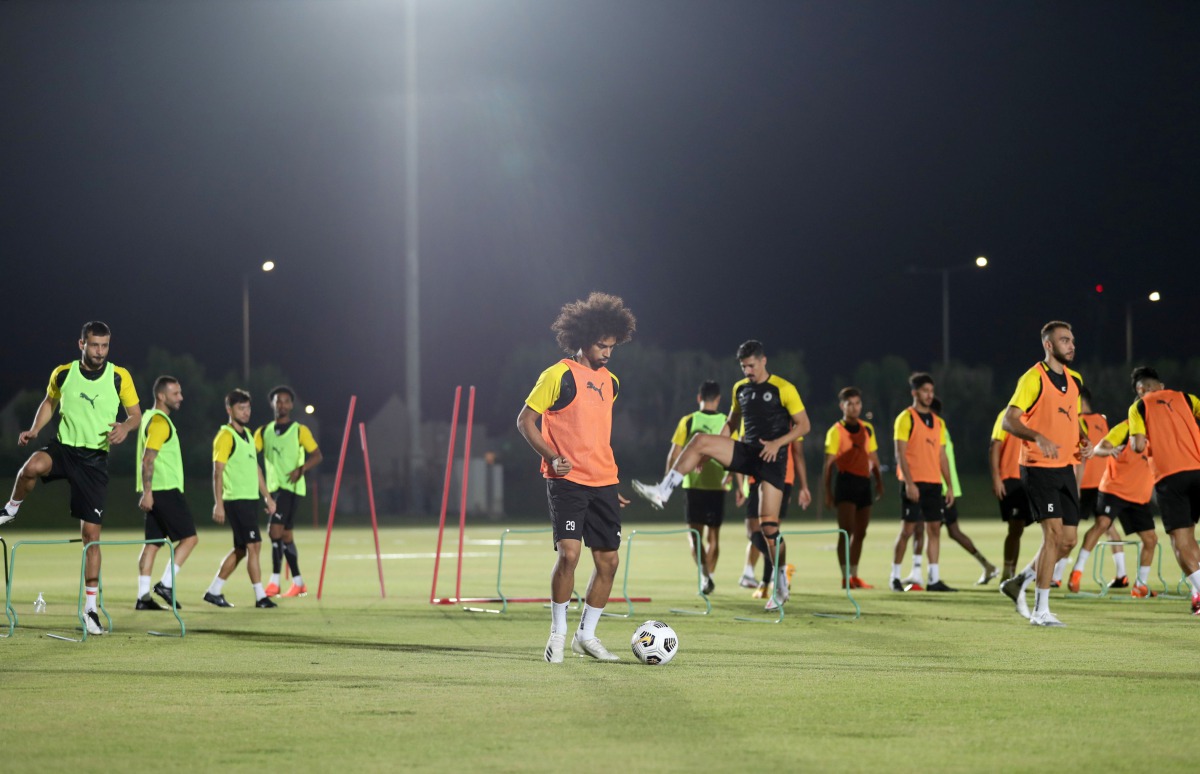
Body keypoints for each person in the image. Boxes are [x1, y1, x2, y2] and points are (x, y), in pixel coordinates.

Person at [634, 340, 810, 612]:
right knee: (700, 441)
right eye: (743, 367)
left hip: (772, 460)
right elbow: (731, 423)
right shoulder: (740, 389)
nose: (748, 371)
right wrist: (710, 452)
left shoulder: (784, 388)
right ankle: (663, 490)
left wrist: (778, 443)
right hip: (747, 451)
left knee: (769, 528)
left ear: (763, 361)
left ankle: (781, 583)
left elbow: (804, 425)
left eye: (751, 365)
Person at [0, 321, 141, 635]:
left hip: (94, 461)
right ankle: (10, 509)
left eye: (105, 346)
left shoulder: (120, 376)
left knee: (91, 538)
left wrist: (125, 427)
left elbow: (136, 414)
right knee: (31, 467)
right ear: (81, 344)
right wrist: (36, 429)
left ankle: (90, 610)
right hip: (63, 449)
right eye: (94, 345)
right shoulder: (62, 373)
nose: (100, 352)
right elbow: (50, 402)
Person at [516, 292, 636, 663]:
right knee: (569, 555)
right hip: (566, 481)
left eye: (612, 346)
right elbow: (525, 422)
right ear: (583, 339)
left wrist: (610, 484)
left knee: (609, 563)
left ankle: (586, 636)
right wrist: (553, 457)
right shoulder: (557, 375)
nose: (607, 352)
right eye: (602, 345)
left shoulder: (611, 383)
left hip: (604, 482)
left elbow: (596, 436)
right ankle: (558, 632)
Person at [998, 321, 1090, 627]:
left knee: (1068, 540)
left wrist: (1083, 438)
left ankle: (1018, 581)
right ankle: (1040, 611)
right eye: (1064, 340)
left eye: (1072, 340)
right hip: (1038, 468)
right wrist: (1037, 436)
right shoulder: (1032, 378)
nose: (1071, 345)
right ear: (1049, 345)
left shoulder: (1075, 379)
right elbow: (1010, 422)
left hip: (1065, 467)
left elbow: (1072, 417)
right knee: (1052, 535)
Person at [1125, 366, 1200, 614]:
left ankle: (1199, 591)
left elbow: (1136, 445)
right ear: (1161, 384)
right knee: (1189, 538)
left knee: (1181, 541)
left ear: (1140, 389)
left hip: (1170, 477)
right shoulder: (1187, 398)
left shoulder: (1138, 407)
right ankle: (1196, 593)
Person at [203, 389, 278, 609]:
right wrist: (218, 503)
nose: (246, 412)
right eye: (241, 408)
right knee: (254, 545)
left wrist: (267, 497)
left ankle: (214, 590)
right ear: (229, 410)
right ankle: (260, 597)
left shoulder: (248, 435)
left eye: (248, 408)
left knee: (242, 549)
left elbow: (255, 469)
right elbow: (218, 471)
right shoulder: (225, 436)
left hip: (249, 500)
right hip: (236, 500)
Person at [135, 376, 198, 611]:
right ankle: (166, 584)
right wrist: (148, 493)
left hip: (155, 491)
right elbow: (148, 459)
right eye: (175, 393)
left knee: (152, 544)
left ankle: (143, 598)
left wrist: (146, 492)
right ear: (161, 396)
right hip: (164, 490)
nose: (180, 397)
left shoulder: (149, 418)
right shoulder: (160, 422)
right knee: (190, 539)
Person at [889, 373, 955, 593]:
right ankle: (895, 577)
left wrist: (949, 485)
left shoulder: (939, 423)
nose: (929, 395)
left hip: (933, 484)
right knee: (907, 530)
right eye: (925, 391)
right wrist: (909, 483)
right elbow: (900, 453)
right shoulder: (905, 418)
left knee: (934, 529)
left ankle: (934, 579)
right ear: (914, 393)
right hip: (913, 483)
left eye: (931, 391)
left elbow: (942, 456)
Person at [1080, 414, 1158, 597]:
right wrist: (1108, 450)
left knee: (1149, 539)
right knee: (1094, 527)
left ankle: (1136, 583)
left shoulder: (1159, 431)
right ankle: (1074, 573)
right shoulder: (1124, 427)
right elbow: (1100, 448)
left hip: (1135, 496)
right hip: (1109, 489)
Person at [256, 385, 323, 599]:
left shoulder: (299, 430)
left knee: (274, 532)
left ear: (291, 405)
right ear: (272, 404)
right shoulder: (263, 432)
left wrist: (301, 469)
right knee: (285, 536)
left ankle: (274, 582)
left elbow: (317, 455)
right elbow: (249, 452)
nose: (282, 404)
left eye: (286, 401)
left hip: (291, 489)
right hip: (274, 489)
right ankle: (299, 583)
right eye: (278, 401)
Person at [666, 380, 728, 595]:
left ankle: (705, 576)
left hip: (693, 485)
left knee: (695, 535)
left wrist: (667, 482)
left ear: (699, 398)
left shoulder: (689, 420)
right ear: (718, 399)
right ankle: (708, 577)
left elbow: (675, 453)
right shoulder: (726, 421)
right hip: (718, 484)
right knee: (714, 537)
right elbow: (733, 452)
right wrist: (733, 479)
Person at [931, 398, 999, 585]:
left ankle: (924, 575)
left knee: (927, 529)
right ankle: (987, 565)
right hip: (943, 488)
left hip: (940, 489)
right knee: (952, 532)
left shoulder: (937, 430)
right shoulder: (941, 430)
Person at [1066, 387, 1127, 592]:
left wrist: (1075, 487)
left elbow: (1082, 456)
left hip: (1084, 484)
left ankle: (1056, 576)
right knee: (1108, 528)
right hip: (1103, 484)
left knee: (1067, 532)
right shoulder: (1102, 420)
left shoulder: (1078, 420)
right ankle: (1122, 574)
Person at [822, 387, 883, 589]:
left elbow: (872, 457)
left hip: (864, 484)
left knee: (861, 532)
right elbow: (828, 465)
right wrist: (828, 493)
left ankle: (855, 575)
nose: (854, 407)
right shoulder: (835, 431)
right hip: (846, 482)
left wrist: (879, 482)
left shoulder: (868, 429)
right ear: (842, 406)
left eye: (857, 403)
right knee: (846, 531)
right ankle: (845, 576)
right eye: (850, 404)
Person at [736, 437, 809, 600]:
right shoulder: (790, 418)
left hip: (764, 476)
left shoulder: (759, 414)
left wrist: (804, 486)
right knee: (768, 534)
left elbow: (741, 450)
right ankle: (771, 579)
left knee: (758, 532)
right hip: (782, 478)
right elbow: (798, 454)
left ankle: (777, 572)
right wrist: (803, 486)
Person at [988, 408, 1034, 581]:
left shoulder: (1036, 415)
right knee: (1015, 527)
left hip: (1030, 477)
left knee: (1019, 528)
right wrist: (996, 478)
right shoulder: (1007, 415)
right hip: (1012, 478)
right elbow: (995, 445)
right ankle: (1008, 573)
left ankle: (1013, 575)